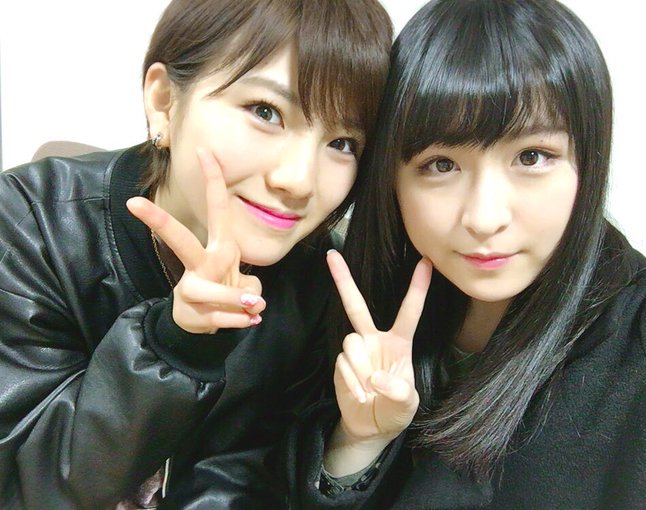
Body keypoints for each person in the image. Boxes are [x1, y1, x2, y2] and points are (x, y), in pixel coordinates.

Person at [286, 0, 646, 508]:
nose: (484, 217)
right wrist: (359, 442)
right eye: (441, 164)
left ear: (588, 161)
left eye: (532, 157)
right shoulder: (361, 315)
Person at [0, 0, 392, 508]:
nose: (299, 180)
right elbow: (26, 484)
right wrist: (175, 346)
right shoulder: (31, 226)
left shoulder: (320, 284)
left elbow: (252, 476)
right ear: (164, 101)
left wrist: (360, 440)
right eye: (266, 112)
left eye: (342, 142)